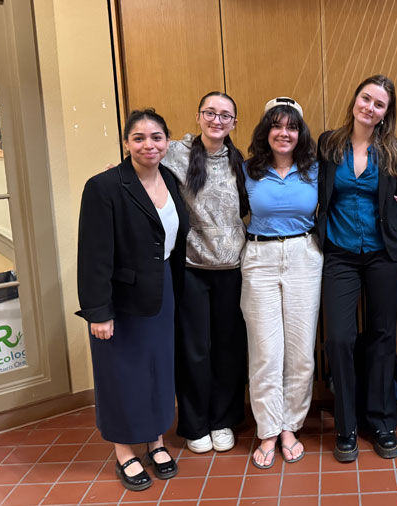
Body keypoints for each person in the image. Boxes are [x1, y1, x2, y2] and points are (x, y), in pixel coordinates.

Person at [76, 109, 188, 490]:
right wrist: (98, 312)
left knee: (158, 370)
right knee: (122, 375)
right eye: (138, 138)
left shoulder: (170, 179)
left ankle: (156, 441)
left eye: (156, 137)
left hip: (162, 292)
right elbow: (93, 256)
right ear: (126, 143)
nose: (148, 145)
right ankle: (125, 451)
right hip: (120, 301)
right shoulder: (104, 186)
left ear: (167, 142)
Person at [317, 75, 397, 462]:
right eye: (366, 98)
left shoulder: (393, 151)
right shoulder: (328, 144)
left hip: (383, 253)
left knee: (382, 335)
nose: (370, 107)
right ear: (355, 100)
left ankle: (382, 420)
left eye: (379, 103)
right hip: (339, 253)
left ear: (386, 113)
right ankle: (346, 424)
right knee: (339, 337)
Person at [160, 92, 249, 455]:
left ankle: (223, 420)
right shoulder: (176, 152)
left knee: (229, 349)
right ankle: (195, 424)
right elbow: (142, 159)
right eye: (210, 113)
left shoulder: (241, 163)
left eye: (225, 115)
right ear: (198, 117)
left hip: (233, 270)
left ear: (233, 124)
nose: (217, 120)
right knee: (194, 350)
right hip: (192, 269)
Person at [241, 97, 321, 469]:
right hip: (259, 259)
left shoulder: (316, 169)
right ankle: (268, 429)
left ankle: (291, 425)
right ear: (266, 131)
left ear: (300, 132)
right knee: (266, 352)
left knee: (301, 352)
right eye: (276, 125)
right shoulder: (247, 169)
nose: (284, 133)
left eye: (291, 126)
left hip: (305, 257)